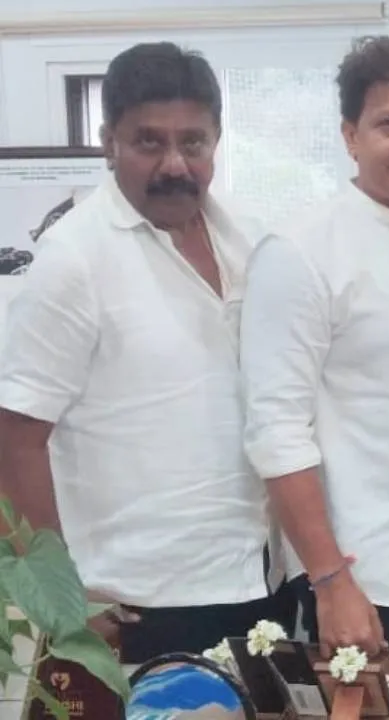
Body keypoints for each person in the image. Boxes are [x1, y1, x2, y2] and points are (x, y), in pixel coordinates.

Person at [0, 42, 292, 663]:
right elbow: (14, 435)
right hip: (135, 599)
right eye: (149, 142)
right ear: (109, 142)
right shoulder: (73, 258)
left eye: (193, 142)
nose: (175, 164)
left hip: (256, 578)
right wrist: (63, 599)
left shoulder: (251, 239)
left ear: (217, 141)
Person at [239, 36, 389, 657]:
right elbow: (276, 431)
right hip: (362, 577)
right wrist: (330, 580)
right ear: (350, 135)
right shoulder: (300, 252)